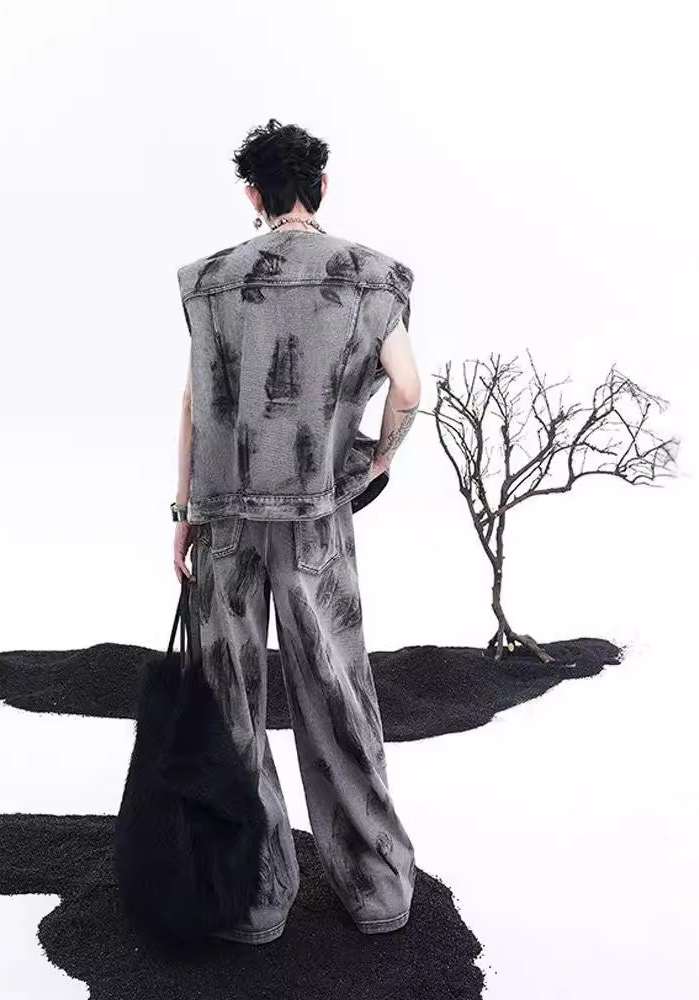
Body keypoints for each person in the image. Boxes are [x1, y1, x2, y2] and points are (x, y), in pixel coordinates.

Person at [169, 118, 420, 945]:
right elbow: (408, 389)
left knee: (232, 708)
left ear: (253, 194)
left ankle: (254, 899)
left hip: (225, 524)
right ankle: (377, 889)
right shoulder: (371, 277)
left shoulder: (208, 282)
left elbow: (194, 404)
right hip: (317, 520)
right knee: (338, 695)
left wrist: (182, 513)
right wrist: (374, 464)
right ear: (322, 186)